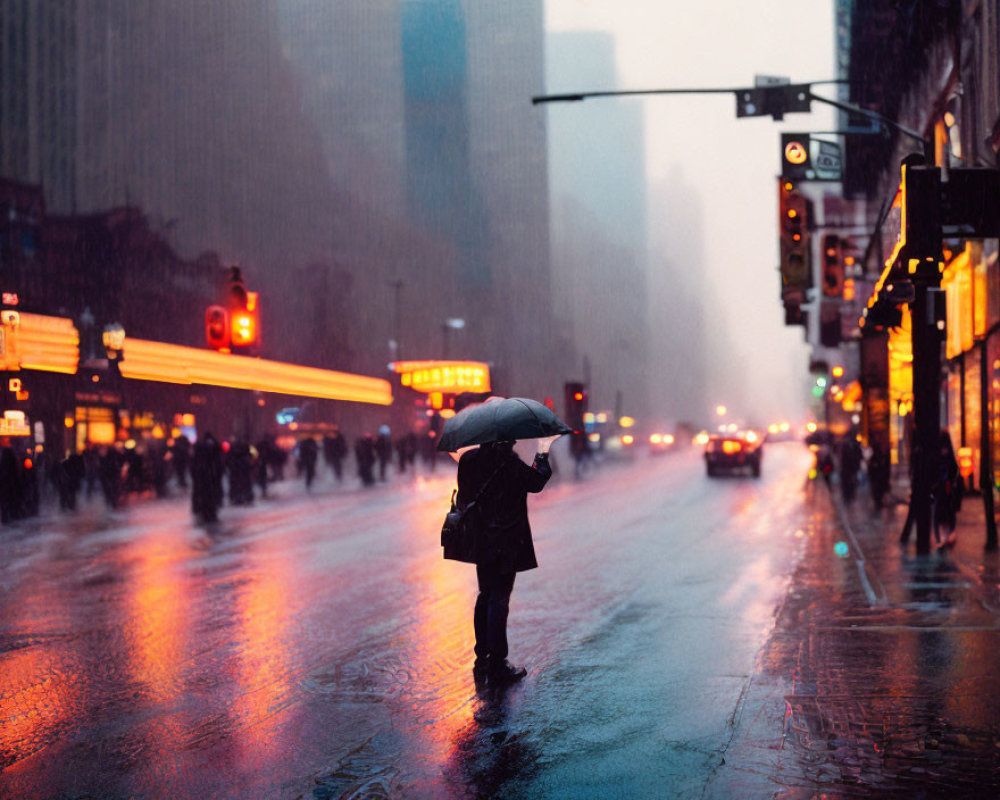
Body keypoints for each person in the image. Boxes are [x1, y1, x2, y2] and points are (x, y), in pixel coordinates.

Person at [455, 435, 557, 687]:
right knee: (499, 598)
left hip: (479, 538)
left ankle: (482, 656)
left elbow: (465, 495)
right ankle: (498, 663)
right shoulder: (509, 464)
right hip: (506, 539)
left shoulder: (468, 460)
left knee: (485, 594)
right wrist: (542, 452)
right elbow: (536, 481)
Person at [933, 430, 962, 548]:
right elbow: (953, 467)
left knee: (941, 510)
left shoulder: (939, 453)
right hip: (946, 485)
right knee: (947, 510)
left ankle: (942, 536)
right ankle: (946, 534)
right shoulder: (947, 453)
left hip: (944, 485)